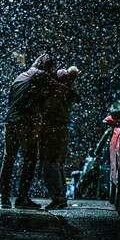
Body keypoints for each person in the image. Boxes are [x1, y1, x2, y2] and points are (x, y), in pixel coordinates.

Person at [0, 54, 69, 209]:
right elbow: (62, 91)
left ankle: (4, 198)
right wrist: (69, 89)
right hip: (25, 122)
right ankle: (22, 198)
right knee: (30, 160)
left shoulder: (20, 76)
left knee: (8, 159)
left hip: (10, 122)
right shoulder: (40, 75)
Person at [39, 66, 80, 210]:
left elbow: (46, 109)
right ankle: (60, 195)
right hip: (61, 130)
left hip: (53, 130)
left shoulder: (57, 94)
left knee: (51, 163)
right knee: (58, 163)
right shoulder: (67, 93)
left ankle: (58, 196)